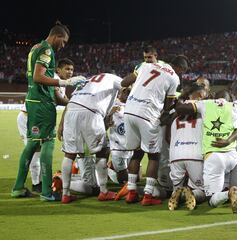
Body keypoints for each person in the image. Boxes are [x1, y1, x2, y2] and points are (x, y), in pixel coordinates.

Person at [11, 23, 85, 201]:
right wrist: (64, 83)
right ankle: (46, 192)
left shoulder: (36, 48)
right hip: (42, 105)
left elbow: (52, 91)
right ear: (57, 36)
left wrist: (72, 103)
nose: (63, 46)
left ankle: (18, 188)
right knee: (48, 144)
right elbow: (38, 76)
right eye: (64, 42)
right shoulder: (47, 51)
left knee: (31, 146)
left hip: (34, 102)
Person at [175, 90, 237, 213]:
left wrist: (182, 97)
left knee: (212, 199)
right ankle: (227, 192)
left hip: (213, 156)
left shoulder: (205, 104)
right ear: (229, 99)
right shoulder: (234, 107)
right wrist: (229, 139)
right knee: (221, 179)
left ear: (215, 97)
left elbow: (180, 109)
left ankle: (228, 194)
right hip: (231, 156)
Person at [121, 55, 189, 206]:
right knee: (154, 156)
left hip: (129, 111)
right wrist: (170, 107)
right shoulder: (173, 77)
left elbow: (123, 82)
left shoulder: (147, 65)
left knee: (136, 152)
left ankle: (131, 192)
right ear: (181, 68)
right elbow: (167, 104)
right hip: (147, 114)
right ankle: (148, 195)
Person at [60, 73, 123, 203]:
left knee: (69, 154)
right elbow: (126, 88)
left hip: (71, 111)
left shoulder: (88, 81)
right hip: (91, 112)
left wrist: (61, 124)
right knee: (103, 151)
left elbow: (70, 102)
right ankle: (104, 191)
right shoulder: (115, 79)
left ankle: (65, 193)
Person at [167, 83, 208, 211]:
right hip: (195, 154)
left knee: (176, 188)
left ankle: (177, 194)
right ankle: (192, 194)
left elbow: (167, 137)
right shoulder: (204, 107)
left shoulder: (176, 111)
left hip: (175, 155)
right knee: (203, 189)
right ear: (200, 95)